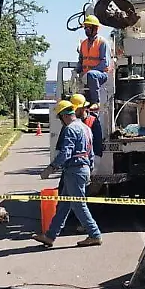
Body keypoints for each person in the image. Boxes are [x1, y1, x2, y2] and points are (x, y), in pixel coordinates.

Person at [32, 100, 102, 248]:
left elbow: (66, 152)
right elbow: (91, 152)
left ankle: (94, 234)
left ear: (63, 116)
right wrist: (90, 169)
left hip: (74, 171)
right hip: (82, 169)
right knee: (63, 205)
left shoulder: (70, 129)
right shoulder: (85, 128)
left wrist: (51, 168)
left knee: (78, 205)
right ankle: (50, 236)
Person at [77, 15, 110, 104]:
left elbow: (104, 64)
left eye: (89, 27)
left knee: (91, 75)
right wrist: (77, 72)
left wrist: (88, 73)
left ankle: (96, 102)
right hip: (87, 76)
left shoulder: (102, 42)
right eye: (85, 28)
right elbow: (80, 61)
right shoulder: (83, 43)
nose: (86, 30)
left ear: (95, 28)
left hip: (101, 74)